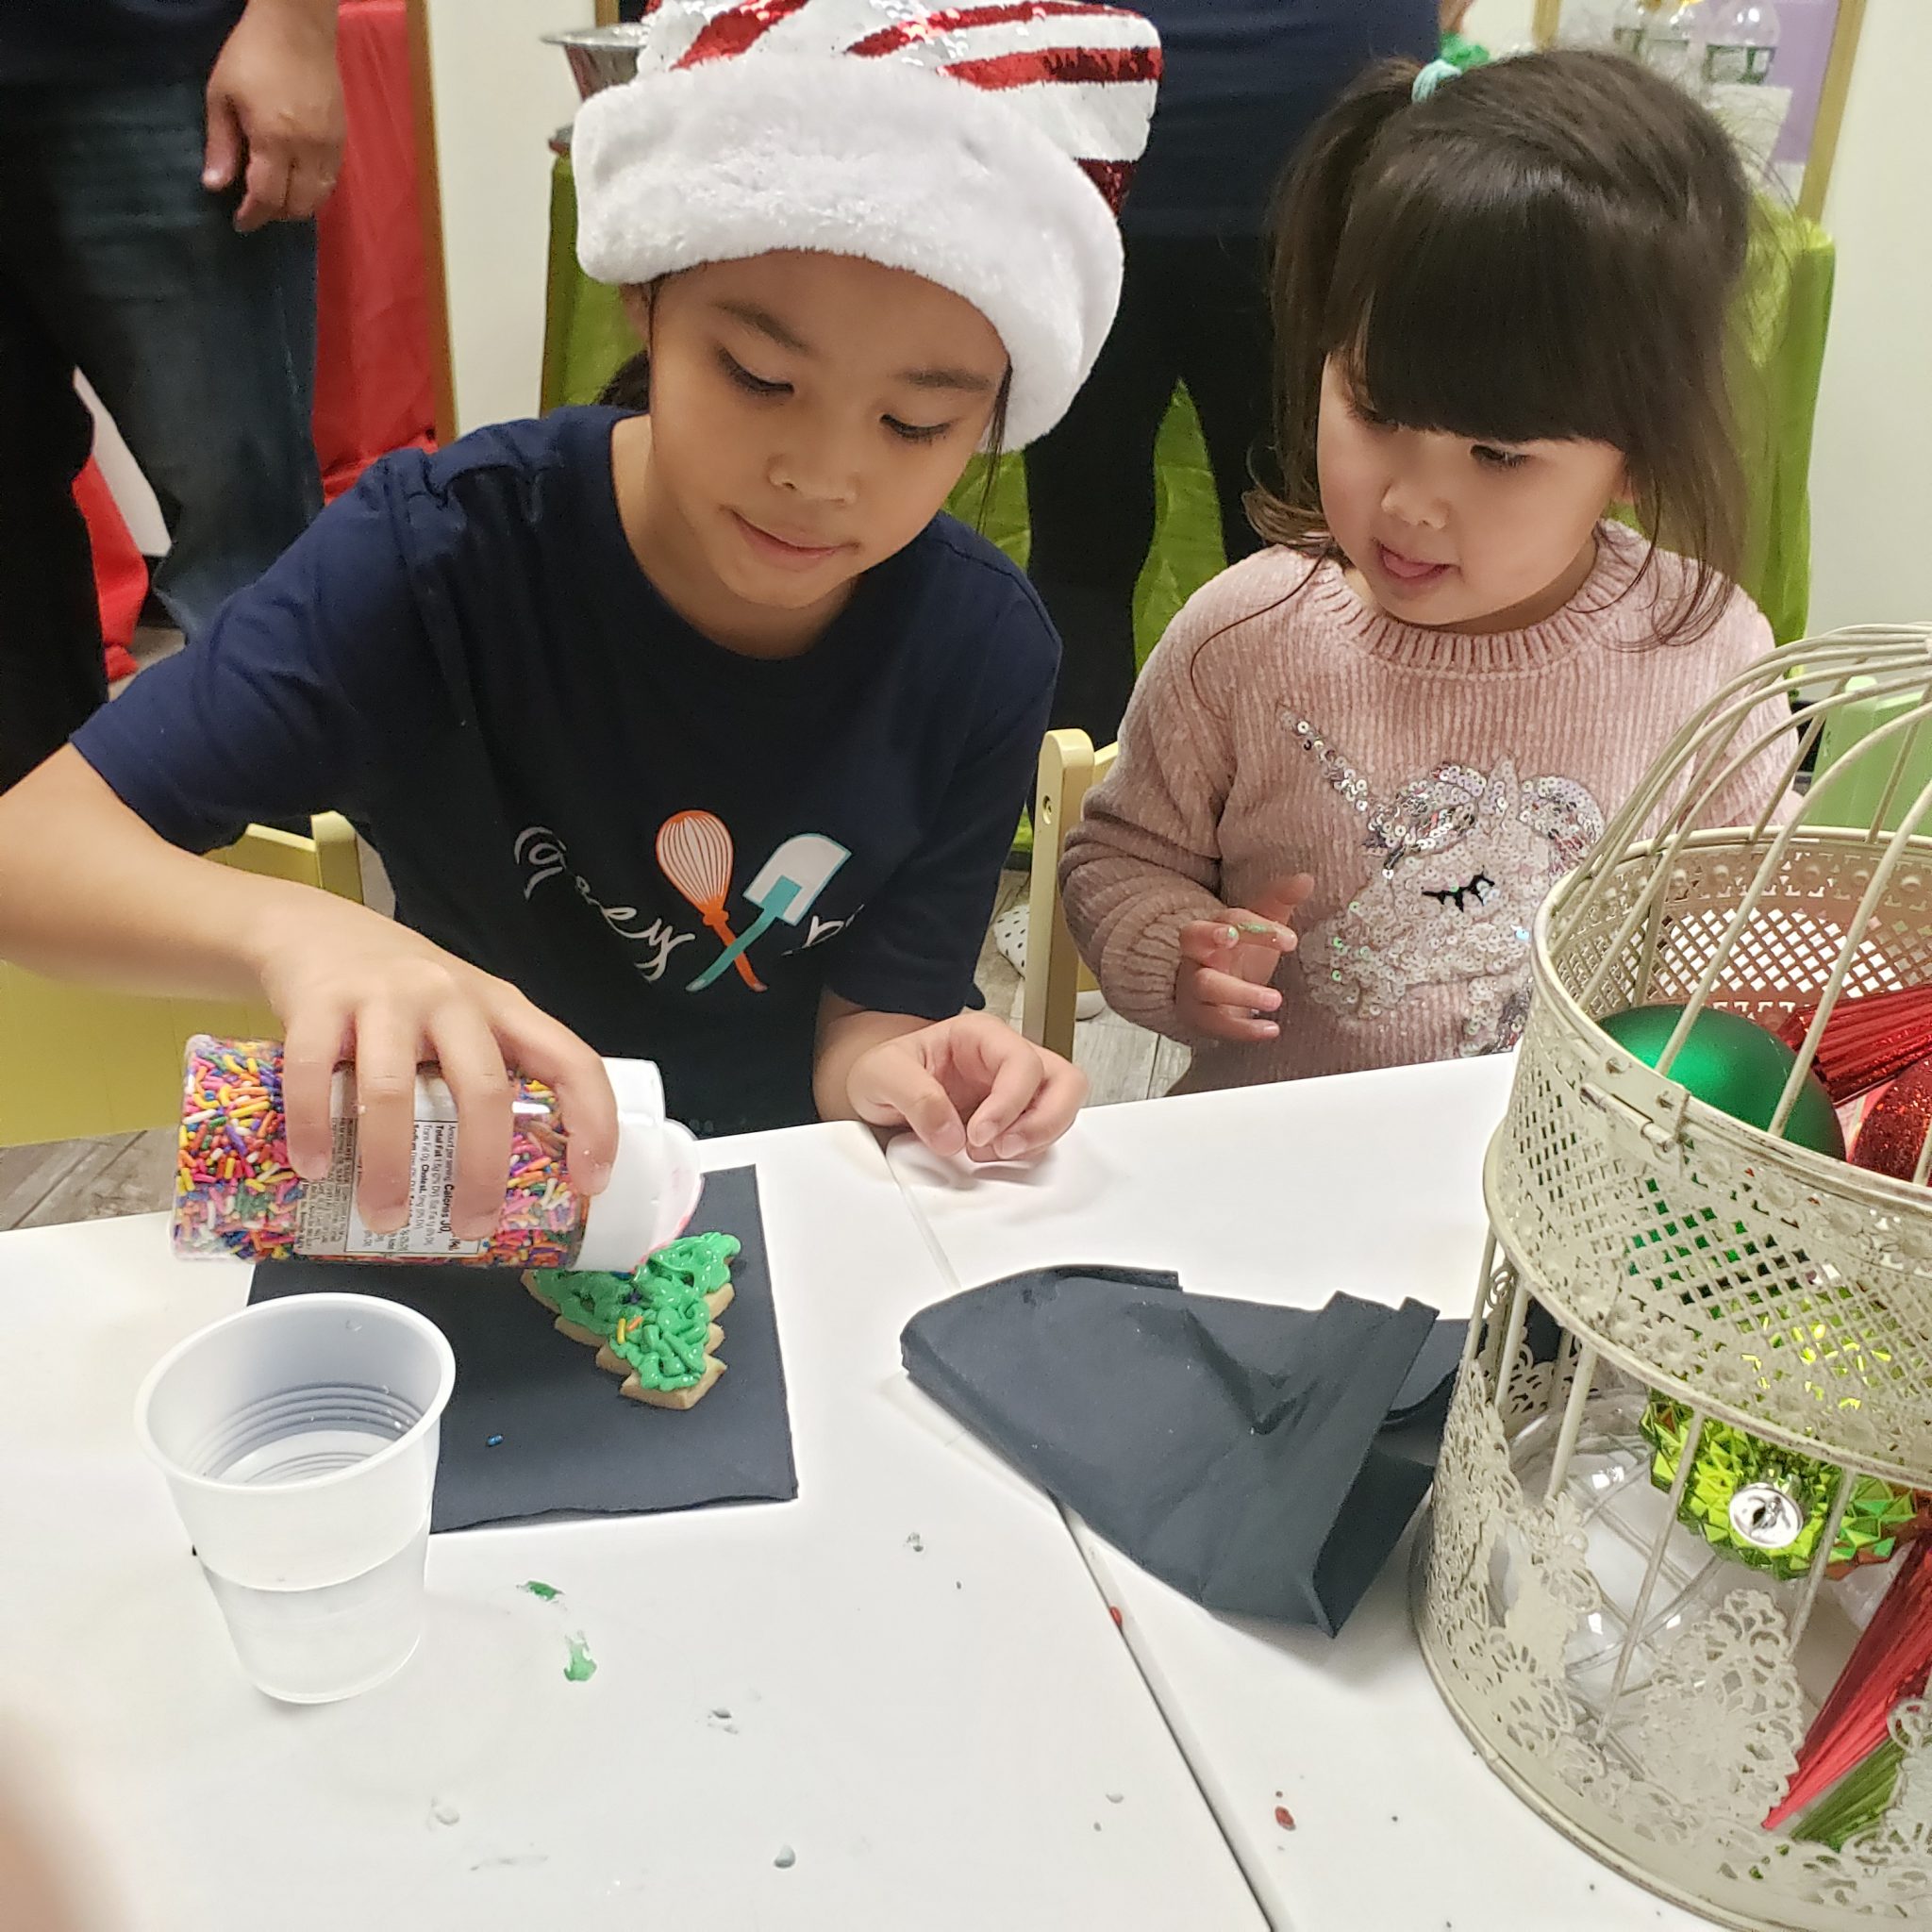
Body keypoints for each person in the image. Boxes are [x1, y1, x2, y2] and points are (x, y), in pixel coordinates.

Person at [0, 0, 1164, 1232]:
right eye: (761, 378)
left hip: (763, 1186)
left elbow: (868, 1022)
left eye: (916, 424)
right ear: (648, 303)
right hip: (471, 1171)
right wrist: (301, 935)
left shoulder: (981, 653)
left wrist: (901, 1067)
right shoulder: (444, 554)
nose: (823, 476)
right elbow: (31, 851)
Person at [1060, 50, 1796, 1095]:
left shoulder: (1708, 653)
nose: (1408, 500)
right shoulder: (1244, 636)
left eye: (1496, 455)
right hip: (1275, 1160)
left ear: (1633, 454)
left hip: (1567, 1176)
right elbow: (1116, 858)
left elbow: (1739, 934)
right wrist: (1177, 953)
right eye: (1373, 408)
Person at [1022, 0, 1439, 747]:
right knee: (1314, 555)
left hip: (1102, 138)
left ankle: (1079, 844)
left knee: (1081, 554)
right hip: (1313, 138)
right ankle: (1294, 829)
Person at [0, 0, 338, 793]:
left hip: (162, 58)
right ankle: (49, 904)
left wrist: (296, 21)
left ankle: (287, 901)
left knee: (247, 555)